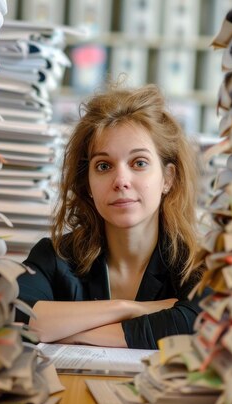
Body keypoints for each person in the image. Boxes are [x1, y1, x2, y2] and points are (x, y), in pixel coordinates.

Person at [15, 84, 207, 349]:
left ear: (168, 178)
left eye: (139, 163)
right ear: (88, 184)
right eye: (103, 166)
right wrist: (127, 308)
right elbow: (20, 319)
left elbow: (194, 326)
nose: (120, 181)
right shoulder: (54, 257)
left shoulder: (196, 266)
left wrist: (69, 332)